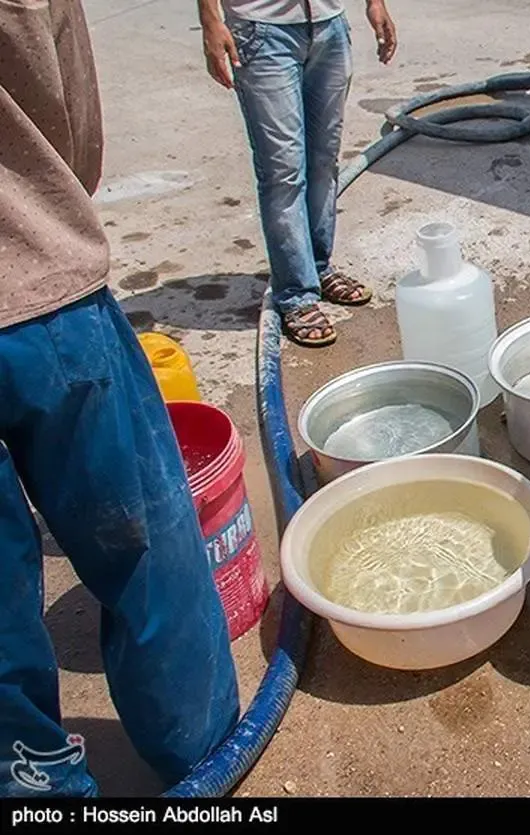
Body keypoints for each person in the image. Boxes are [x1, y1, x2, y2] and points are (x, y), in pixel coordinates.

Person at [1, 0, 240, 797]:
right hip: (42, 292)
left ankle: (35, 783)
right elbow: (77, 141)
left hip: (40, 297)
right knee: (142, 544)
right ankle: (204, 754)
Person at [198, 0, 398, 347]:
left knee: (323, 161)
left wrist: (375, 3)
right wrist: (211, 23)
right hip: (261, 30)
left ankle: (318, 267)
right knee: (283, 172)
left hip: (328, 24)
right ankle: (296, 294)